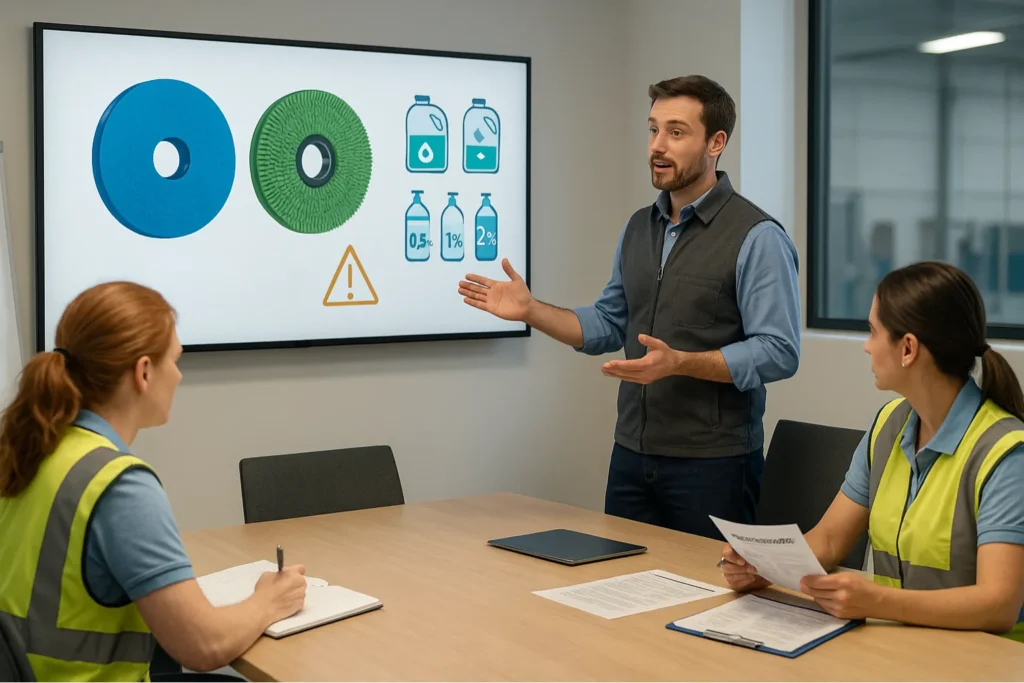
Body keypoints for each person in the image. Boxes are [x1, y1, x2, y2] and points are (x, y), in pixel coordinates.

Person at [458, 75, 800, 539]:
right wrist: (531, 310)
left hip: (714, 466)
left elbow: (779, 350)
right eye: (653, 129)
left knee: (708, 604)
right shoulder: (640, 226)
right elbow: (606, 323)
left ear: (716, 142)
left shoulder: (757, 236)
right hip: (632, 459)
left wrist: (680, 363)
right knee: (619, 593)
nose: (657, 146)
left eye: (676, 132)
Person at [0, 282, 308, 681]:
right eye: (175, 360)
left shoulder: (32, 451)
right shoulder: (118, 487)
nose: (179, 375)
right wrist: (269, 601)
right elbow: (203, 646)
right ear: (144, 372)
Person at [720, 262, 1024, 641]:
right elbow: (829, 540)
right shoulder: (888, 425)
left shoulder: (1006, 454)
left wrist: (877, 601)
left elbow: (999, 604)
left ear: (908, 349)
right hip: (897, 645)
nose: (866, 345)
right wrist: (763, 568)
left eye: (873, 331)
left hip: (981, 662)